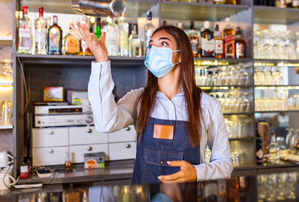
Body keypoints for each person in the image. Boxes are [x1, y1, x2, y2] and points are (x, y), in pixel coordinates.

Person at [70, 22, 233, 184]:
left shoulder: (208, 105)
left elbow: (225, 163)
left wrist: (197, 173)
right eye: (151, 45)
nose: (154, 50)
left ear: (181, 54)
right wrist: (101, 60)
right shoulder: (138, 99)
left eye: (163, 43)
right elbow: (105, 123)